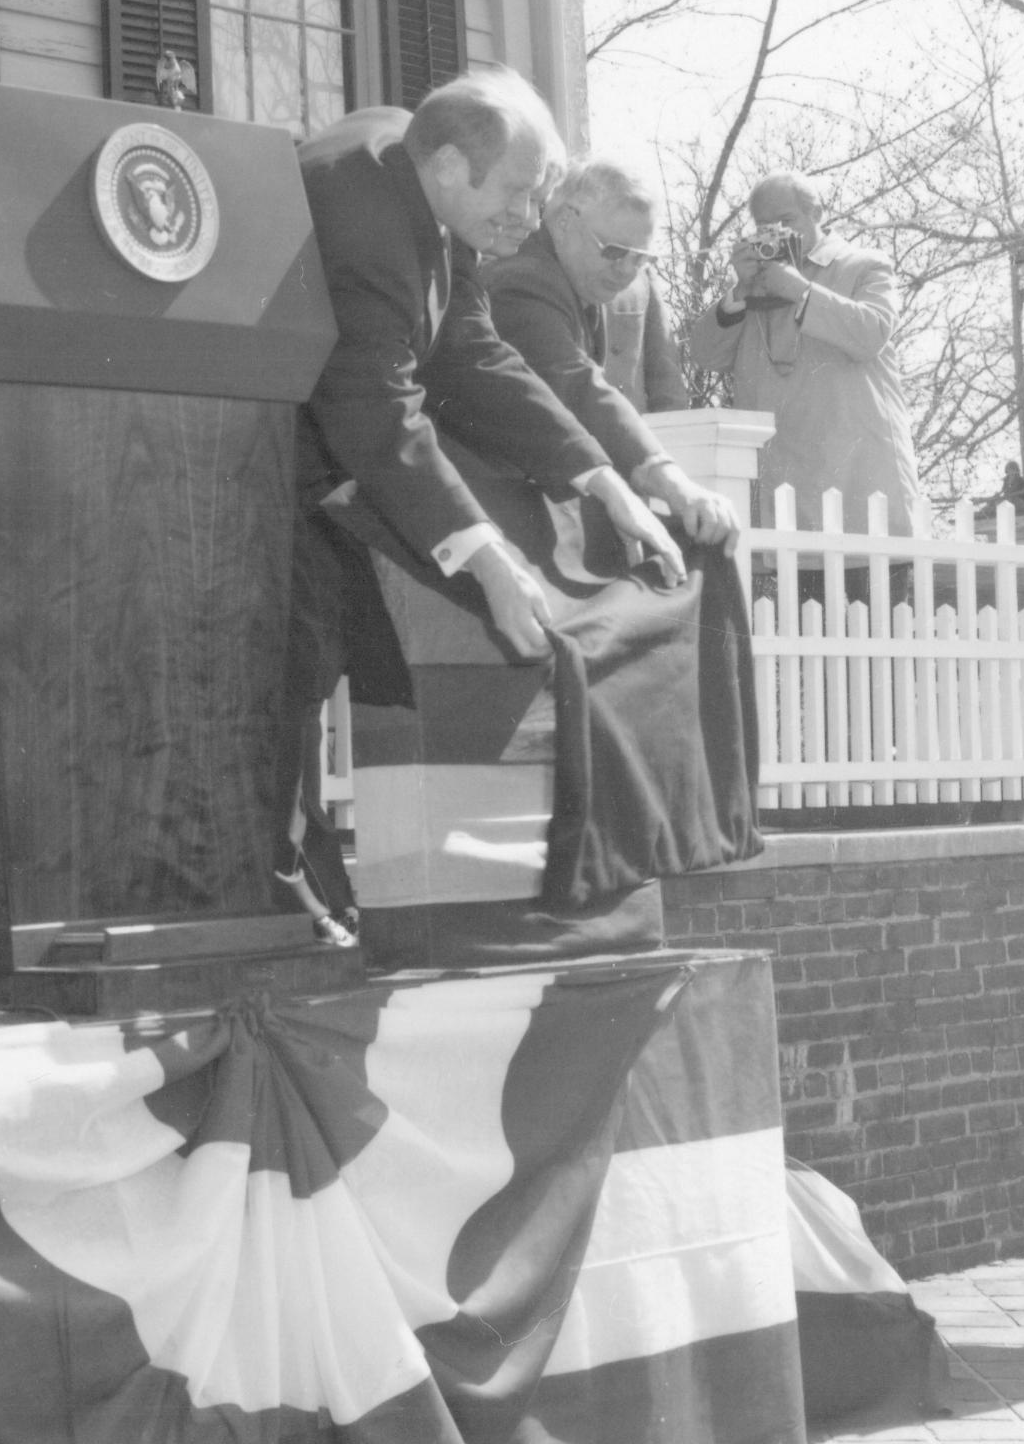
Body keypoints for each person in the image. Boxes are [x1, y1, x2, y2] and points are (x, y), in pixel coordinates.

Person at [275, 72, 703, 937]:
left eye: (539, 191)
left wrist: (601, 479)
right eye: (515, 191)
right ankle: (277, 894)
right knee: (288, 676)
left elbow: (470, 350)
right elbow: (377, 406)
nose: (527, 214)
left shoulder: (423, 181)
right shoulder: (367, 229)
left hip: (326, 470)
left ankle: (301, 884)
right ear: (446, 167)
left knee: (316, 671)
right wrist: (483, 554)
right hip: (258, 478)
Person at [483, 158, 743, 553]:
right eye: (615, 251)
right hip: (506, 520)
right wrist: (672, 483)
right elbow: (577, 383)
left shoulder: (575, 274)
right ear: (567, 220)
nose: (626, 272)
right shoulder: (522, 278)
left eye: (640, 258)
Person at [687, 172, 928, 535]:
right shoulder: (755, 282)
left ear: (817, 212)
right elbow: (704, 354)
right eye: (764, 226)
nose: (777, 234)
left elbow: (872, 332)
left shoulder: (864, 266)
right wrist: (739, 292)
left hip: (857, 482)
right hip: (785, 488)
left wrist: (801, 291)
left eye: (786, 221)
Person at [600, 264, 689, 414]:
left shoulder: (640, 274)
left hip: (624, 428)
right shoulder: (550, 269)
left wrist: (672, 432)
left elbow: (666, 381)